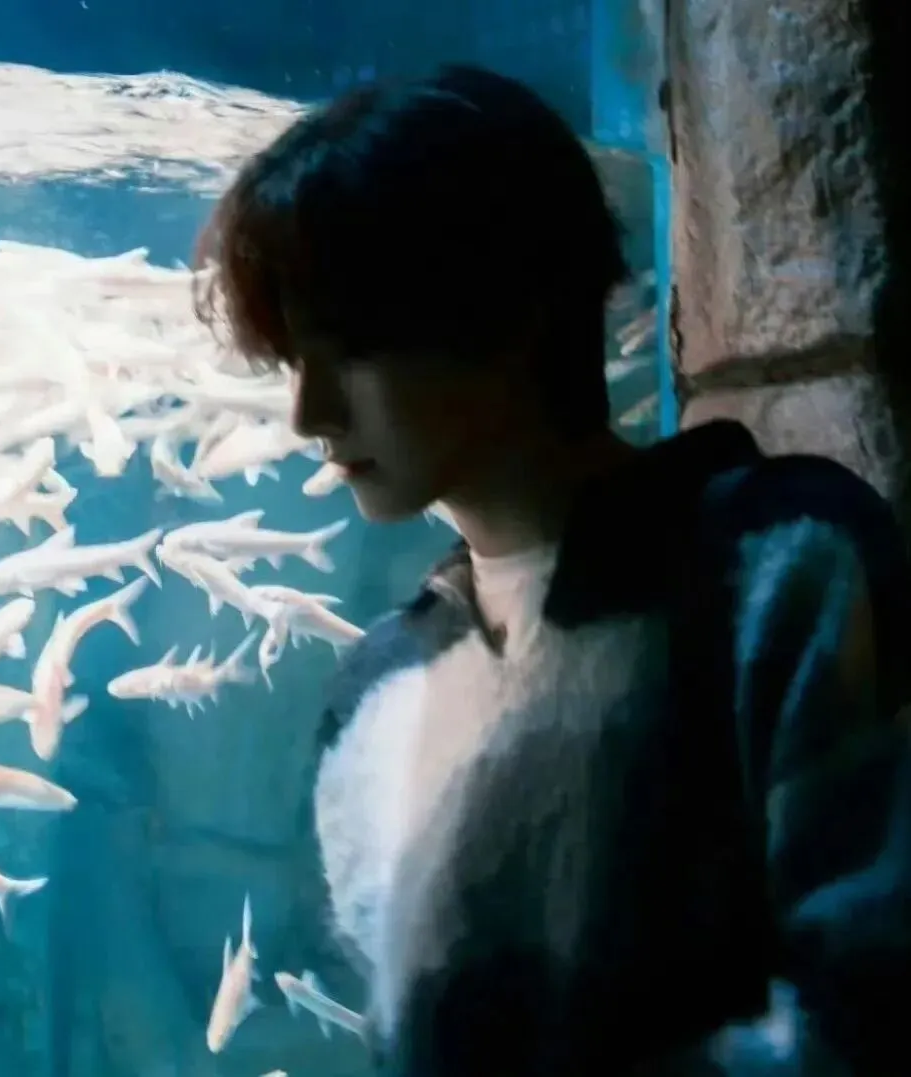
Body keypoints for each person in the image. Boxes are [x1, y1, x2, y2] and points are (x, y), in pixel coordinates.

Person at [193, 64, 911, 1076]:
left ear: (508, 304)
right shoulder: (375, 689)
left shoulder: (781, 565)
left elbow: (867, 1006)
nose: (308, 414)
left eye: (349, 349)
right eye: (290, 363)